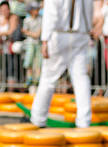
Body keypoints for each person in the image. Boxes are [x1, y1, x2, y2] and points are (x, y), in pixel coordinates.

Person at [31, 0, 93, 128]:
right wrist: (87, 31)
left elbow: (51, 15)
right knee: (81, 78)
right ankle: (84, 121)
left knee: (48, 79)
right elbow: (89, 11)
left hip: (59, 35)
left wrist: (44, 40)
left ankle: (38, 118)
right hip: (80, 34)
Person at [22, 1, 42, 92]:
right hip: (30, 43)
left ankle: (37, 78)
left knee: (38, 62)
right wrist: (33, 34)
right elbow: (25, 31)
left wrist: (30, 33)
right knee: (28, 60)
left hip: (38, 43)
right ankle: (29, 78)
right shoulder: (27, 20)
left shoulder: (41, 19)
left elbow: (37, 34)